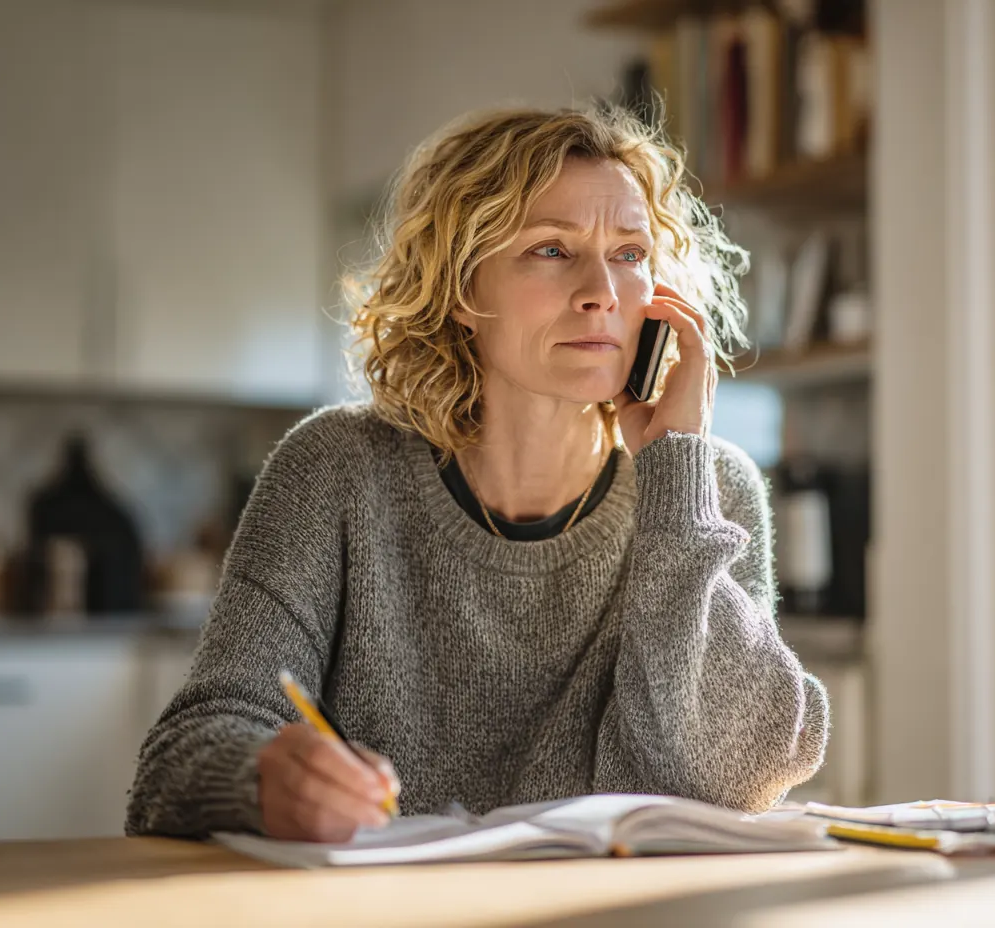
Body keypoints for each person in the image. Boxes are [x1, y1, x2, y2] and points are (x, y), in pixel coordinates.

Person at [125, 103, 829, 842]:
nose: (602, 290)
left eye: (629, 253)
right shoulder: (335, 470)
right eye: (552, 250)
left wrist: (676, 472)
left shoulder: (702, 488)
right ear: (463, 288)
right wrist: (262, 780)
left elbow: (740, 776)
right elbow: (175, 765)